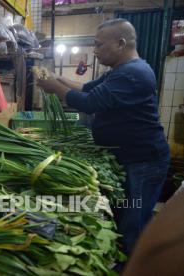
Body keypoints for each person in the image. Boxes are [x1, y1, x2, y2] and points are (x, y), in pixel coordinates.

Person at [36, 18, 170, 257]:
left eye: (98, 45)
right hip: (130, 156)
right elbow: (87, 89)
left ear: (120, 43)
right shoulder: (119, 71)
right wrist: (56, 78)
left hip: (143, 160)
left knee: (134, 221)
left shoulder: (133, 73)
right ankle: (125, 260)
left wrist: (54, 87)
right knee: (125, 216)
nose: (95, 51)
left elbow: (90, 103)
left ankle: (136, 266)